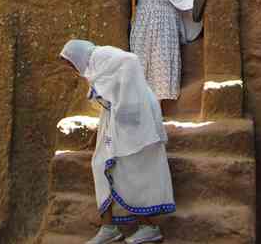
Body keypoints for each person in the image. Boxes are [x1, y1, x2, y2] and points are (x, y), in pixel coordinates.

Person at [60, 39, 175, 244]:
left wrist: (124, 106)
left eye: (71, 63)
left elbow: (130, 61)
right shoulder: (95, 65)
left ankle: (148, 227)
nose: (73, 69)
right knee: (100, 165)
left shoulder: (101, 56)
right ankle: (109, 228)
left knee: (130, 169)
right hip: (118, 119)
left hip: (135, 118)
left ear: (77, 55)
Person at [129, 0, 194, 104]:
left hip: (164, 18)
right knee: (142, 54)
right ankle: (142, 102)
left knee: (161, 57)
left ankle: (159, 104)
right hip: (144, 16)